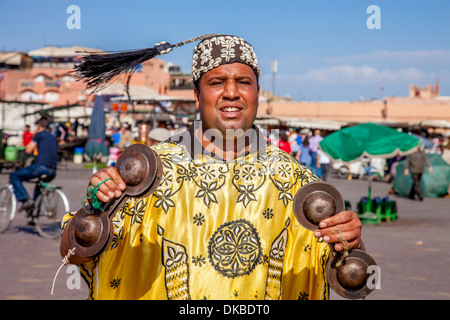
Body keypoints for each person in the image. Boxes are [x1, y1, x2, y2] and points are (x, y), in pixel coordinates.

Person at [60, 34, 363, 300]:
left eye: (243, 82)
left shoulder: (297, 182)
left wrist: (352, 239)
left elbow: (346, 271)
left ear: (257, 92)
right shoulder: (148, 173)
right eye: (217, 82)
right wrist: (94, 209)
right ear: (196, 95)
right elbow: (72, 254)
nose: (231, 92)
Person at [10, 116, 58, 217]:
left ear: (39, 126)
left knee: (14, 176)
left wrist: (33, 136)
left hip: (41, 167)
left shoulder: (39, 134)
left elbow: (28, 150)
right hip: (53, 170)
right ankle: (34, 215)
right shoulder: (52, 136)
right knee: (39, 187)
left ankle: (25, 199)